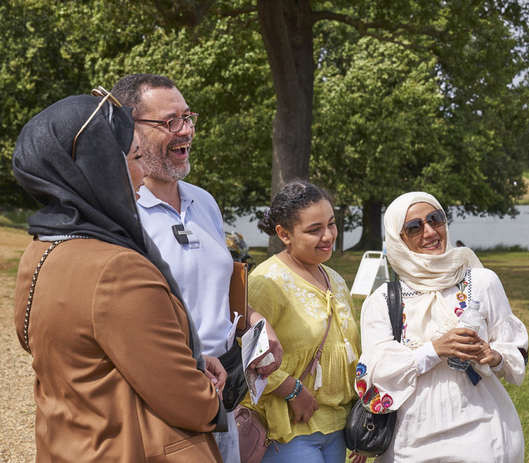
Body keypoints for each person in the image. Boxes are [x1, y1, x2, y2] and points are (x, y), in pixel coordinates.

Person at [12, 90, 227, 461]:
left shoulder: (41, 251)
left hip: (69, 445)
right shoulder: (117, 269)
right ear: (99, 167)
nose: (141, 173)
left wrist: (186, 356)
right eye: (133, 157)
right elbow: (185, 400)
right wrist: (212, 397)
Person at [111, 73, 282, 463]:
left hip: (226, 387)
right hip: (164, 396)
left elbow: (217, 289)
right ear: (128, 129)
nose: (185, 131)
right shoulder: (121, 211)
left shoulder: (204, 201)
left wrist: (254, 322)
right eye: (170, 122)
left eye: (188, 118)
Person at [356, 191, 529, 462]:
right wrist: (434, 350)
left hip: (482, 432)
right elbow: (375, 374)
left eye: (435, 219)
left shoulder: (483, 282)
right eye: (414, 227)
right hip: (412, 438)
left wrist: (493, 356)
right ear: (398, 239)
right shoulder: (382, 301)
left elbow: (515, 349)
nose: (429, 232)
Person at [244, 181, 363, 462]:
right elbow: (246, 351)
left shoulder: (335, 279)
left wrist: (361, 422)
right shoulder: (266, 281)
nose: (328, 236)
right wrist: (291, 389)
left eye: (331, 225)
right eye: (314, 230)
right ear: (284, 234)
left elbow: (350, 352)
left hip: (338, 427)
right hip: (288, 431)